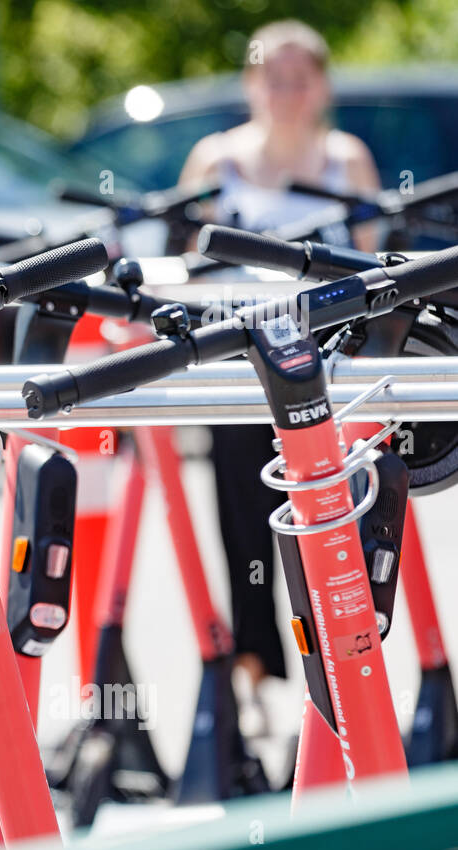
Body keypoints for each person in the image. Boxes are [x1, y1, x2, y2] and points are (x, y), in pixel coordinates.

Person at [177, 20, 382, 733]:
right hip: (237, 364)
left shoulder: (346, 160)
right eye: (273, 76)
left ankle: (343, 665)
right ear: (251, 84)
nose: (287, 92)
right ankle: (256, 672)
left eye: (301, 78)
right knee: (242, 519)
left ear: (321, 85)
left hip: (325, 368)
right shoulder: (215, 161)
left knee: (334, 514)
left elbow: (374, 273)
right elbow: (184, 266)